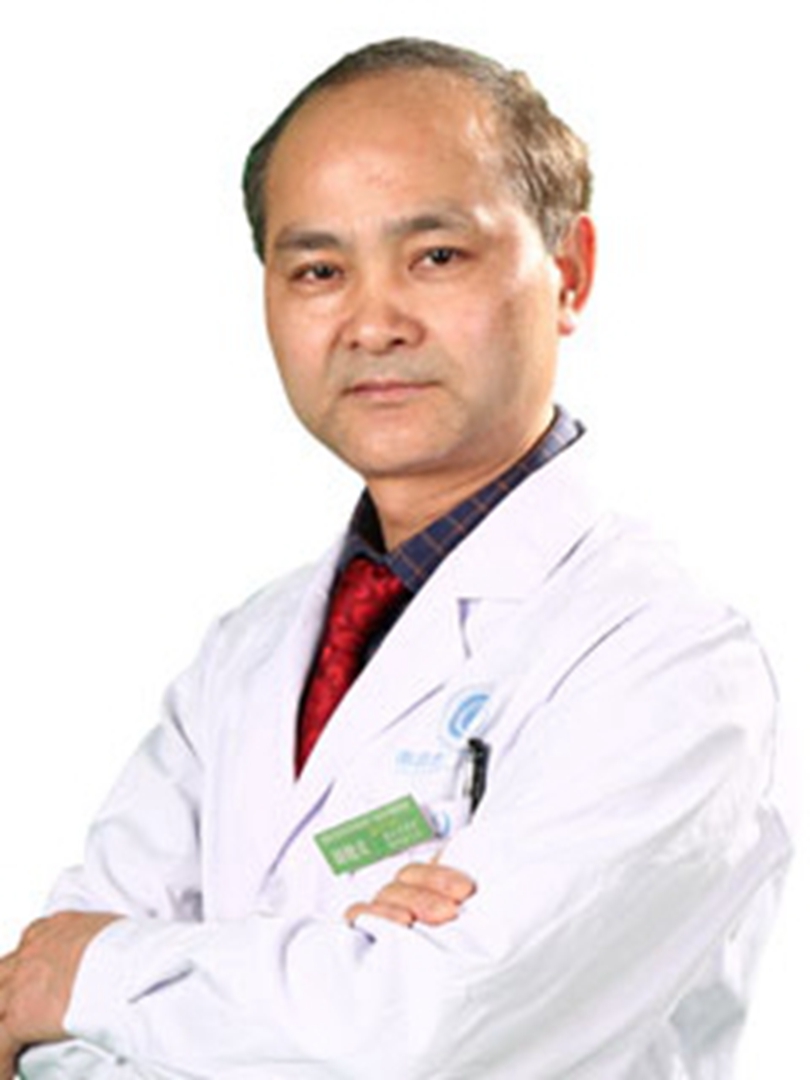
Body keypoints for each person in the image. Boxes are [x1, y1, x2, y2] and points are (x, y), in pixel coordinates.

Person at [0, 37, 792, 1080]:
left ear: (570, 272)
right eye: (319, 271)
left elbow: (427, 1036)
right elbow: (37, 1027)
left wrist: (103, 974)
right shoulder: (246, 655)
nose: (373, 323)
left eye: (437, 257)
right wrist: (331, 973)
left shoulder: (668, 663)